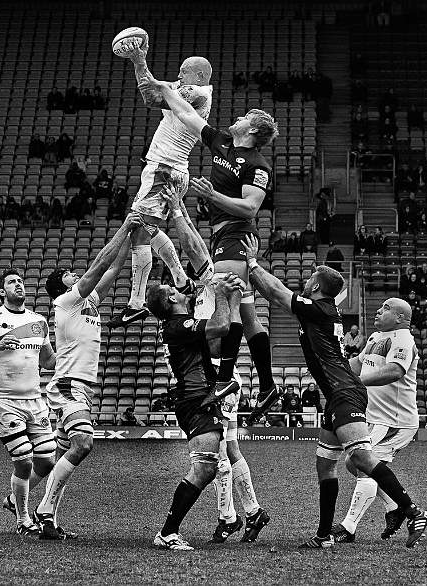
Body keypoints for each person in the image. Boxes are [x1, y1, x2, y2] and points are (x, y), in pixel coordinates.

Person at [241, 233, 427, 549]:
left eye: (310, 279)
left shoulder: (319, 309)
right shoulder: (318, 311)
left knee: (360, 457)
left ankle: (413, 511)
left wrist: (251, 262)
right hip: (337, 393)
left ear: (316, 286)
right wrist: (249, 281)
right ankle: (324, 536)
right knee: (325, 463)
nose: (305, 282)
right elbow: (272, 293)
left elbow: (276, 292)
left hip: (344, 392)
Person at [142, 67, 282, 425]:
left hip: (237, 233)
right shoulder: (221, 142)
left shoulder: (257, 165)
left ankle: (224, 378)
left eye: (244, 117)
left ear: (252, 130)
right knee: (247, 314)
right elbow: (187, 114)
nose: (236, 118)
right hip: (223, 235)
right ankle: (267, 386)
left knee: (226, 298)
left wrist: (212, 195)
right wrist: (163, 88)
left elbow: (250, 207)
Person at [161, 186, 270, 544]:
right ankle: (249, 512)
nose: (180, 285)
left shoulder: (211, 286)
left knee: (218, 452)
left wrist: (178, 211)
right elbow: (194, 248)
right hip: (220, 375)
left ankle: (230, 517)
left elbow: (193, 247)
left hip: (215, 380)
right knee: (228, 448)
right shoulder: (205, 292)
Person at [35, 213, 140, 539]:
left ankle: (38, 513)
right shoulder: (66, 301)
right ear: (62, 286)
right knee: (83, 443)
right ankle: (43, 511)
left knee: (61, 455)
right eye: (68, 273)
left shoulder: (88, 300)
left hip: (81, 386)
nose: (75, 273)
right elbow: (100, 264)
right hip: (68, 385)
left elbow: (113, 269)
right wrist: (125, 225)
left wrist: (131, 236)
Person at [108, 36, 214, 329]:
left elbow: (153, 96)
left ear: (199, 75)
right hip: (168, 169)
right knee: (146, 228)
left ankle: (136, 304)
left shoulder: (196, 91)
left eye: (183, 71)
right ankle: (179, 279)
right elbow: (152, 90)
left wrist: (140, 61)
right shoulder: (187, 90)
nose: (179, 75)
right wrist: (139, 63)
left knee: (138, 232)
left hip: (164, 169)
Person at [146, 272, 244, 550]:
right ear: (171, 299)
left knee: (208, 467)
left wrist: (234, 302)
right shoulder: (178, 325)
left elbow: (218, 343)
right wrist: (221, 294)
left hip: (200, 398)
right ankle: (167, 533)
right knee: (203, 468)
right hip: (195, 400)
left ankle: (174, 530)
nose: (179, 289)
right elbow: (221, 326)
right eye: (173, 288)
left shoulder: (181, 326)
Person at [0, 268, 57, 536]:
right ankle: (23, 519)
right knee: (25, 460)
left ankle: (12, 499)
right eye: (11, 282)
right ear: (1, 291)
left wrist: (72, 352)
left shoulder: (38, 321)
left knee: (47, 461)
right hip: (4, 401)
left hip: (35, 400)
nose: (18, 285)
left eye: (20, 281)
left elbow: (48, 361)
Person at [332, 298, 423, 544]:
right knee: (353, 462)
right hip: (378, 419)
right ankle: (395, 506)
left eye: (386, 308)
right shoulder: (375, 337)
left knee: (362, 463)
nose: (379, 311)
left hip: (394, 420)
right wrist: (331, 371)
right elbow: (357, 364)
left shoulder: (402, 339)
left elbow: (395, 370)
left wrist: (356, 383)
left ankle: (348, 527)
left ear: (401, 318)